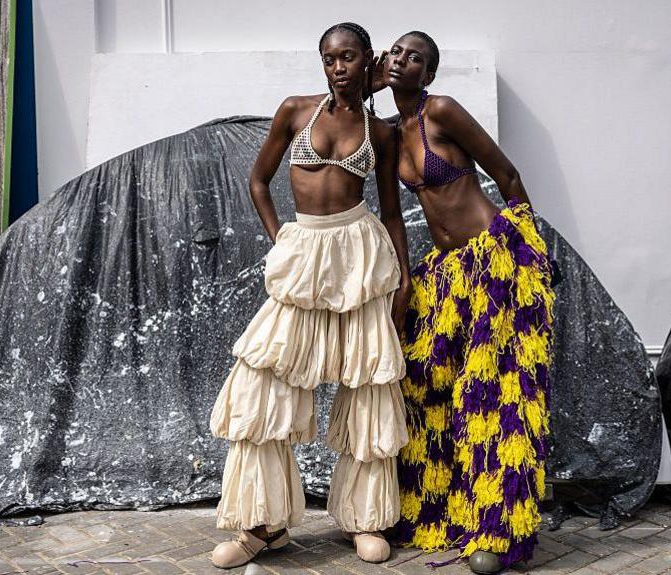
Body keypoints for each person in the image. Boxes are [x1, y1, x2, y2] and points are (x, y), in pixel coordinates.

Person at [209, 22, 413, 569]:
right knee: (262, 387)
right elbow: (258, 179)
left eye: (347, 57)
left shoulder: (381, 132)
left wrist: (404, 279)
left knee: (369, 384)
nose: (338, 67)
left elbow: (391, 213)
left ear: (365, 59)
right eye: (329, 59)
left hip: (360, 258)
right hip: (304, 258)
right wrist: (282, 240)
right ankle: (261, 526)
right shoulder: (296, 111)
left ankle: (363, 520)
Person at [374, 31, 556, 574]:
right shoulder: (386, 134)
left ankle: (499, 530)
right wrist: (405, 283)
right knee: (428, 383)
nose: (402, 60)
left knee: (496, 394)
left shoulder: (443, 111)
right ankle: (447, 510)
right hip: (448, 273)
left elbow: (509, 177)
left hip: (495, 261)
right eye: (397, 52)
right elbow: (390, 215)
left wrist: (527, 250)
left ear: (428, 75)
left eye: (416, 58)